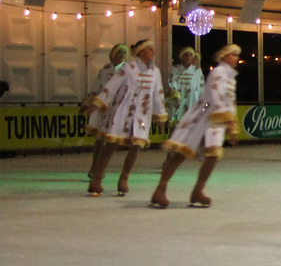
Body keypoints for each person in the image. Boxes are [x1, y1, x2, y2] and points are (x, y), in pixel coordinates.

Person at [150, 44, 241, 208]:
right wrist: (227, 118)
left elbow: (230, 101)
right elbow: (215, 96)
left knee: (213, 155)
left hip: (215, 122)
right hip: (202, 115)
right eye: (233, 54)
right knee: (181, 152)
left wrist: (231, 122)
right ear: (224, 56)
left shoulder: (230, 77)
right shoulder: (218, 72)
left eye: (237, 55)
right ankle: (160, 189)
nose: (236, 58)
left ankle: (198, 191)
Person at [86, 39, 169, 196]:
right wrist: (97, 103)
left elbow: (158, 94)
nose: (153, 52)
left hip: (142, 115)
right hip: (122, 112)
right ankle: (96, 178)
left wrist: (160, 116)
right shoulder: (128, 68)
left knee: (136, 145)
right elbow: (111, 86)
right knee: (111, 145)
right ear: (141, 52)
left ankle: (124, 178)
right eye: (150, 49)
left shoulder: (155, 72)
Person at [82, 42, 129, 179]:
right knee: (99, 138)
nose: (121, 55)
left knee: (112, 140)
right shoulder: (105, 70)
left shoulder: (127, 70)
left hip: (117, 108)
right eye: (119, 53)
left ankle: (104, 168)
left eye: (124, 53)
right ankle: (95, 166)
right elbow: (97, 86)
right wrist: (89, 101)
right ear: (113, 55)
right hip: (102, 107)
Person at [166, 47, 204, 128]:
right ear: (182, 56)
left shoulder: (197, 70)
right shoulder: (175, 69)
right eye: (186, 55)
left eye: (190, 55)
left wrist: (201, 101)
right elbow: (173, 82)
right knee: (177, 124)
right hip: (179, 99)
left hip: (192, 99)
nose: (188, 57)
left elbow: (201, 87)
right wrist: (175, 94)